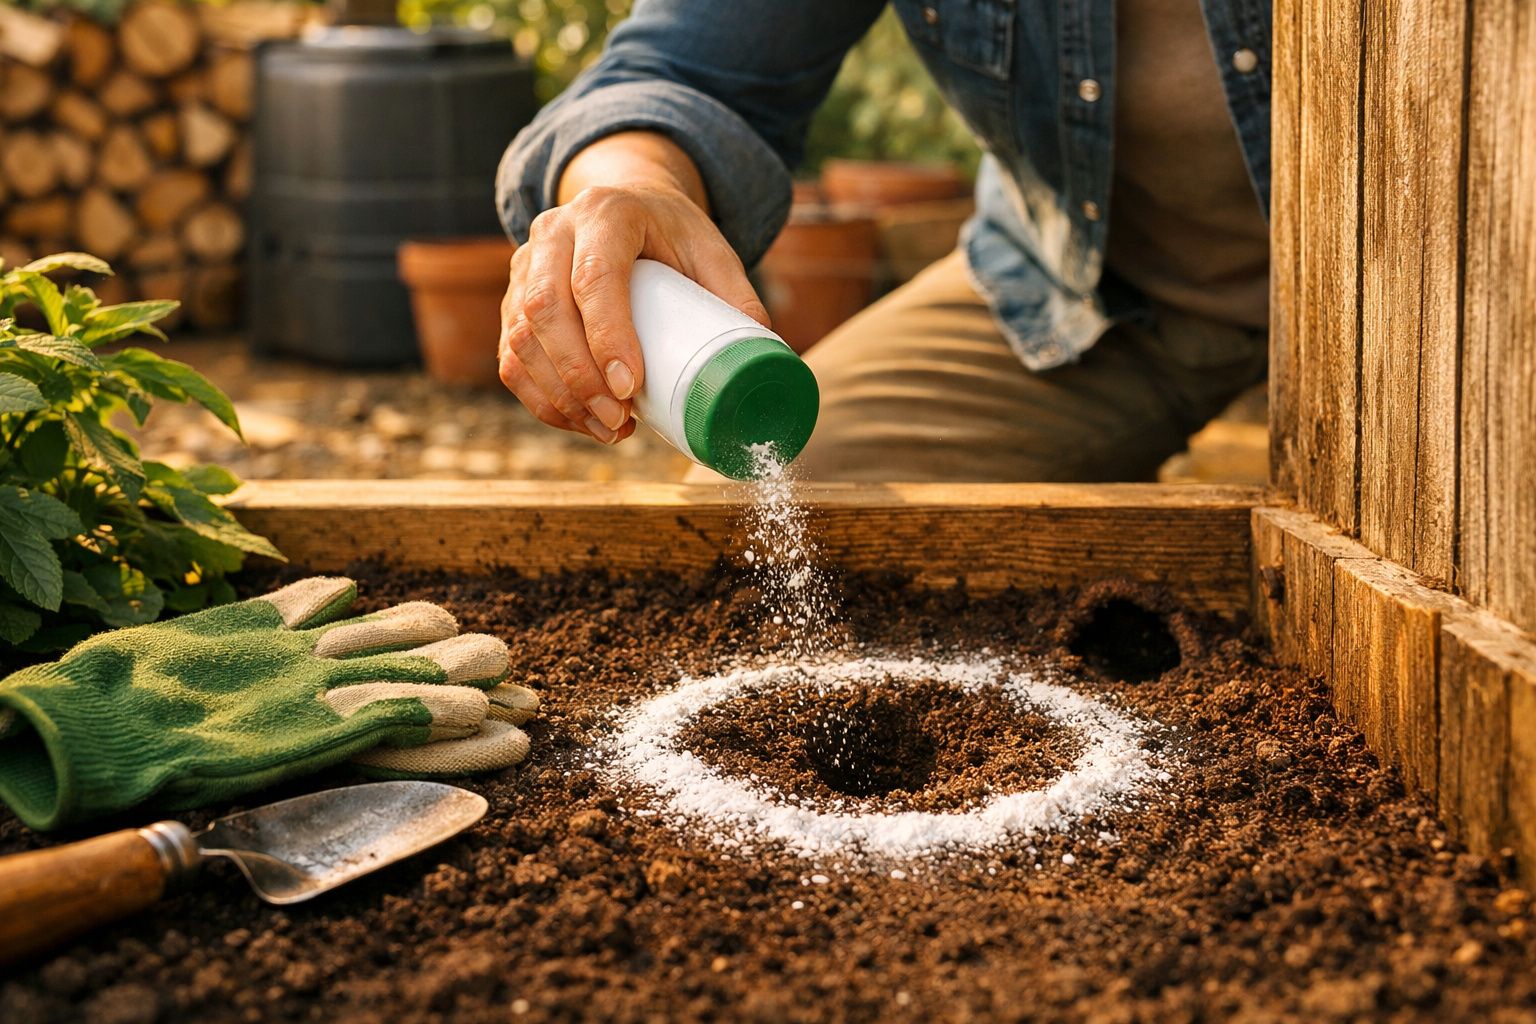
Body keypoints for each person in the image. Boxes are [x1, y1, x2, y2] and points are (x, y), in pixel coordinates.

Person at [494, 0, 1272, 482]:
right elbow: (688, 64)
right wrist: (636, 185)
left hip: (1380, 325)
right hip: (1083, 290)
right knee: (754, 508)